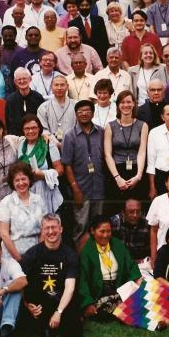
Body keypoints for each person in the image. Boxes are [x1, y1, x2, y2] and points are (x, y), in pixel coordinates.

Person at [21, 214, 97, 337]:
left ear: (61, 229)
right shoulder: (32, 254)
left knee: (71, 316)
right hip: (39, 301)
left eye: (54, 227)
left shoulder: (70, 255)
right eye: (47, 228)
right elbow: (21, 282)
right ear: (42, 231)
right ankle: (45, 331)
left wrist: (59, 312)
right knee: (33, 300)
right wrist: (26, 305)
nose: (51, 232)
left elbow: (70, 287)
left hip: (62, 300)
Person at [79, 215, 143, 319]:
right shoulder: (87, 250)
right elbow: (83, 280)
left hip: (118, 286)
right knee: (111, 305)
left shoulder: (117, 244)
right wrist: (88, 303)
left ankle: (116, 306)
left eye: (108, 231)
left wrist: (137, 279)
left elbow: (130, 264)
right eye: (102, 231)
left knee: (144, 288)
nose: (105, 235)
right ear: (92, 231)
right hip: (100, 290)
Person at [61, 100, 106, 240]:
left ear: (93, 113)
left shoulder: (101, 132)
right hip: (81, 188)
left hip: (99, 187)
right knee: (81, 226)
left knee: (98, 226)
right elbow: (67, 164)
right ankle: (80, 260)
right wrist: (75, 189)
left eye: (87, 111)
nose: (84, 114)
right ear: (76, 114)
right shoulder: (70, 136)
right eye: (80, 112)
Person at [103, 90, 149, 210]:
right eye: (122, 102)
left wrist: (138, 176)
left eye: (129, 102)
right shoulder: (110, 126)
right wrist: (117, 178)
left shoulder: (142, 125)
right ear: (118, 105)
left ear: (134, 104)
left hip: (136, 170)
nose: (126, 105)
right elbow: (108, 154)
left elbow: (142, 151)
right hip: (116, 171)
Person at [0, 162, 48, 266]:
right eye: (17, 180)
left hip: (36, 255)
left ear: (29, 179)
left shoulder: (39, 200)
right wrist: (20, 260)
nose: (21, 183)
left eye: (24, 179)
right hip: (13, 257)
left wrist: (36, 255)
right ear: (12, 182)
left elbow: (44, 230)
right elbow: (4, 234)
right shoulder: (6, 202)